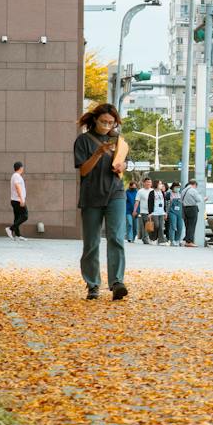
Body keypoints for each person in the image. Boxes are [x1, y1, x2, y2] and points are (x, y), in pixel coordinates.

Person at [74, 103, 131, 300]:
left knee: (116, 237)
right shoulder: (83, 141)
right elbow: (83, 170)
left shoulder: (118, 140)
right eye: (103, 122)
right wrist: (98, 153)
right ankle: (92, 284)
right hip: (91, 196)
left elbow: (123, 164)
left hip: (115, 193)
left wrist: (122, 165)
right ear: (95, 120)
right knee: (92, 242)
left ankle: (117, 282)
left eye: (111, 122)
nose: (107, 126)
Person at [7, 161, 28, 239]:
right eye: (22, 167)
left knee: (17, 217)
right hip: (17, 200)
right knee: (25, 216)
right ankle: (10, 229)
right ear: (21, 168)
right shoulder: (16, 176)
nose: (23, 169)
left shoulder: (15, 176)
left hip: (15, 200)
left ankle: (18, 235)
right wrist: (21, 199)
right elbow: (17, 186)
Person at [180, 178, 203, 247]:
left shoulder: (183, 190)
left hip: (184, 208)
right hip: (192, 208)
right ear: (195, 184)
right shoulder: (193, 190)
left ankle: (187, 240)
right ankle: (190, 241)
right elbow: (199, 199)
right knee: (192, 225)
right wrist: (203, 198)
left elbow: (181, 200)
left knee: (187, 225)